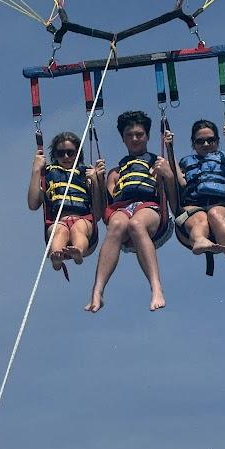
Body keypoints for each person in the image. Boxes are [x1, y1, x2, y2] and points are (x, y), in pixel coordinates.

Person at [85, 110, 177, 313]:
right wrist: (97, 182)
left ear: (147, 136)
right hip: (122, 211)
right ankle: (98, 290)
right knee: (118, 224)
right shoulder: (116, 173)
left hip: (152, 212)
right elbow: (102, 211)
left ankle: (156, 288)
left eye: (139, 134)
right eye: (129, 135)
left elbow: (176, 201)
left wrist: (168, 175)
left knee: (136, 223)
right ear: (123, 138)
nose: (135, 139)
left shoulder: (159, 164)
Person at [169, 120, 225, 293]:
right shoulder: (185, 163)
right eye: (200, 141)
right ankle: (200, 241)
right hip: (193, 208)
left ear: (217, 141)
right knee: (201, 218)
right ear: (193, 144)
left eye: (210, 140)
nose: (206, 144)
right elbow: (178, 183)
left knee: (214, 214)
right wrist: (170, 149)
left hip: (222, 209)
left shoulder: (224, 159)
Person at [27, 131, 105, 271]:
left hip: (83, 219)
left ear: (77, 153)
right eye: (60, 153)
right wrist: (36, 170)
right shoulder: (48, 173)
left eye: (70, 152)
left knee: (78, 229)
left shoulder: (86, 173)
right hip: (58, 220)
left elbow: (98, 214)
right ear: (55, 155)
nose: (66, 157)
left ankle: (78, 251)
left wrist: (96, 181)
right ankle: (56, 257)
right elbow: (33, 204)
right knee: (59, 230)